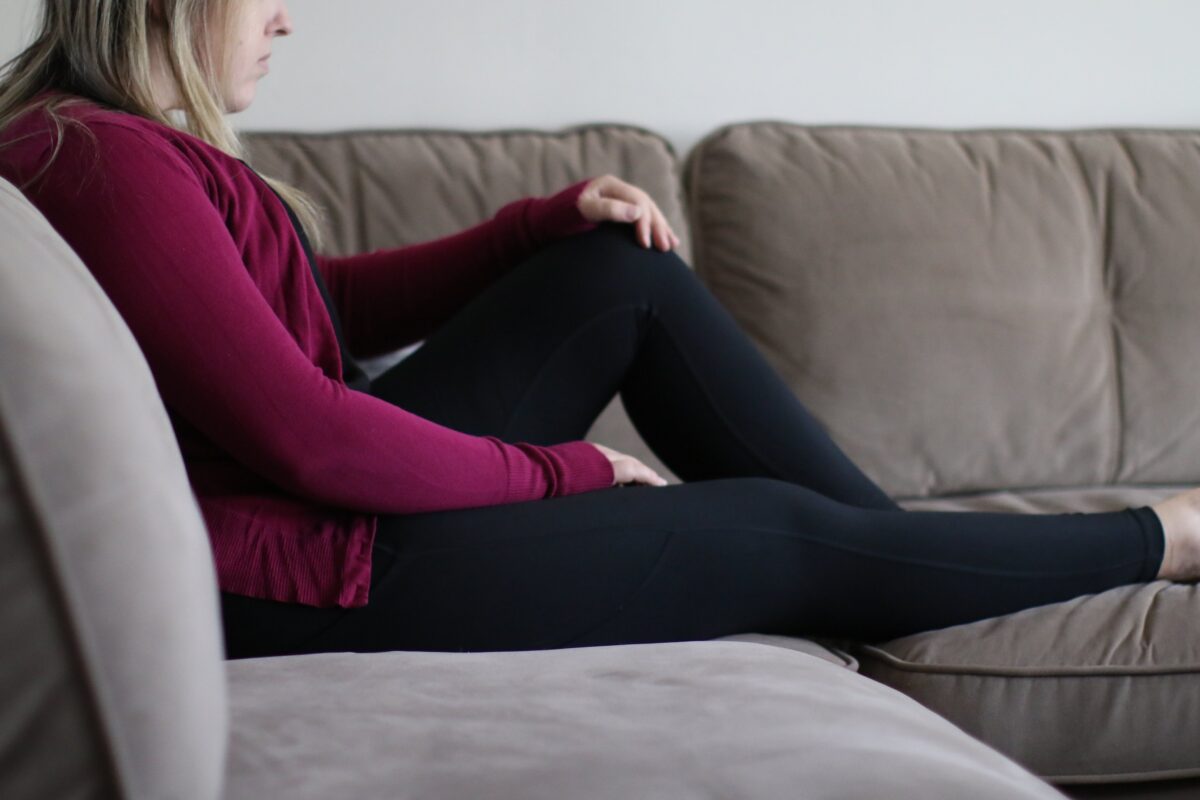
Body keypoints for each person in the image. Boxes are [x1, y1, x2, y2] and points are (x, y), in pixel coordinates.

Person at [0, 0, 1196, 660]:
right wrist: (560, 474)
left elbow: (319, 313)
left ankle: (890, 562)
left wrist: (533, 228)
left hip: (300, 514)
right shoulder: (97, 162)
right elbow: (313, 435)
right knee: (765, 528)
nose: (289, 19)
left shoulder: (104, 142)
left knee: (614, 275)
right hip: (291, 565)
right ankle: (1161, 537)